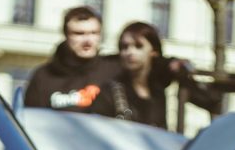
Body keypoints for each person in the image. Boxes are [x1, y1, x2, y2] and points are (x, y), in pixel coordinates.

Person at [90, 21, 219, 129]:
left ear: (154, 51)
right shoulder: (110, 90)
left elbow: (205, 99)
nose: (130, 52)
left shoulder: (158, 84)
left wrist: (180, 68)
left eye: (138, 46)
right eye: (124, 47)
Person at [24, 6, 120, 112]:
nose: (88, 41)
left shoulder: (115, 69)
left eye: (94, 33)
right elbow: (32, 117)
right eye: (79, 33)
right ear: (66, 35)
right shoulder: (43, 76)